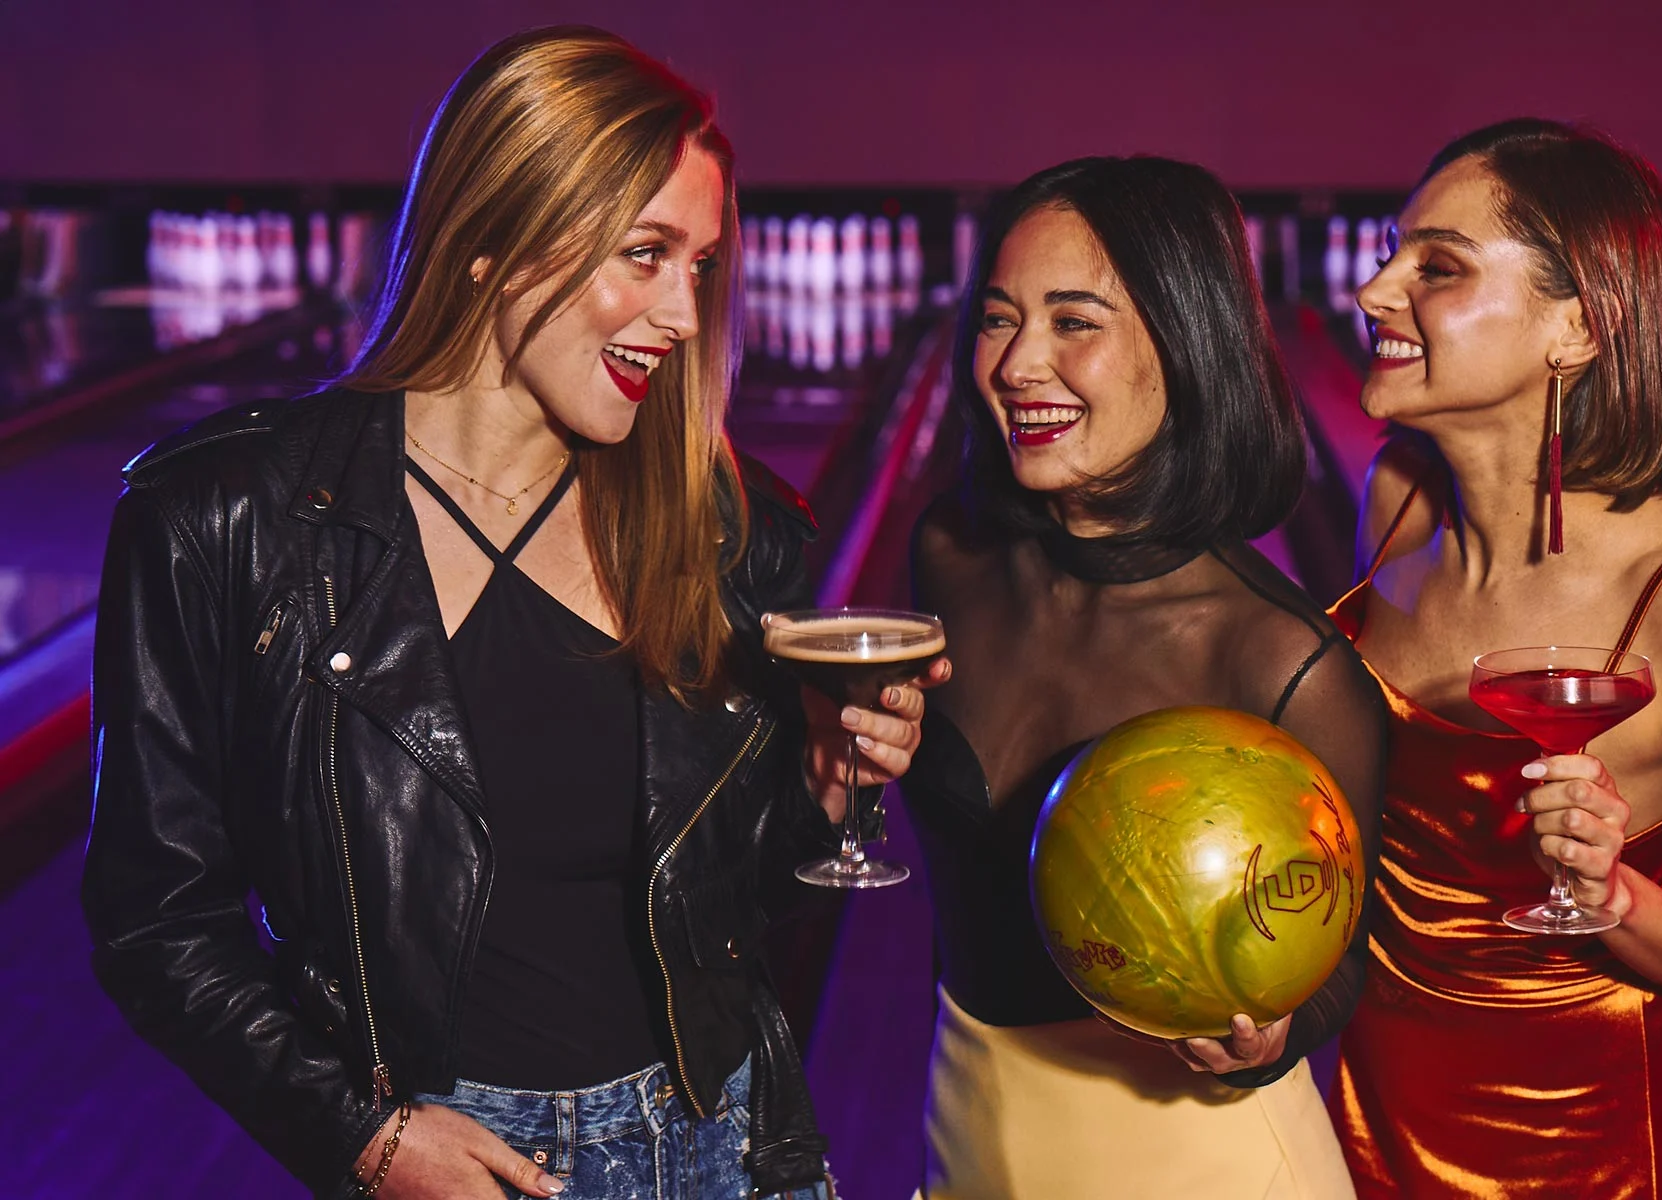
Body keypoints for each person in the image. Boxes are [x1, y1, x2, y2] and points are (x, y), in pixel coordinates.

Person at [81, 27, 941, 1200]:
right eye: (644, 254)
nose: (684, 313)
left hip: (728, 1144)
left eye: (699, 264)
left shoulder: (734, 531)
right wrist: (364, 1140)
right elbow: (156, 922)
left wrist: (827, 789)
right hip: (456, 1161)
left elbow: (740, 914)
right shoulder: (225, 520)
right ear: (493, 239)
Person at [1327, 119, 1662, 1198]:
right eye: (1389, 254)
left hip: (1582, 1153)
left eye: (1437, 267)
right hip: (1371, 1114)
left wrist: (1618, 895)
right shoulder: (1399, 501)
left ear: (1576, 330)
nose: (1373, 293)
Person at [900, 156, 1386, 1200]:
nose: (1020, 362)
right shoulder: (951, 553)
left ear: (1186, 345)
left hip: (1198, 1167)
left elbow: (1344, 958)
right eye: (998, 317)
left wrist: (1271, 1035)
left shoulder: (1279, 664)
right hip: (968, 1138)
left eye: (1075, 322)